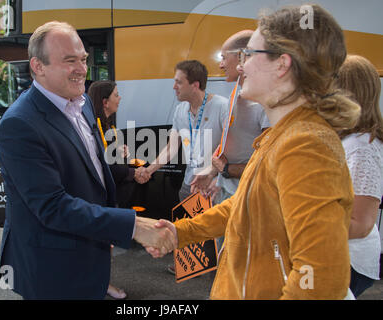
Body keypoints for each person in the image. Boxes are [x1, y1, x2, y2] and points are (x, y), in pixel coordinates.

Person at [150, 4, 361, 299]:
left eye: (249, 55)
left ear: (282, 64)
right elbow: (245, 205)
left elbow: (321, 278)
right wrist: (181, 232)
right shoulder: (282, 136)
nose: (241, 66)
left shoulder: (305, 146)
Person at [0, 21, 175, 299]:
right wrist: (132, 226)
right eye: (70, 61)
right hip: (52, 268)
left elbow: (94, 171)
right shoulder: (20, 124)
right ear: (38, 66)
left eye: (83, 59)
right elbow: (52, 206)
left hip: (91, 249)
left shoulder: (81, 104)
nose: (82, 69)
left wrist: (107, 227)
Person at [191, 30, 270, 205]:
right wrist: (213, 172)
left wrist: (226, 169)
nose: (220, 65)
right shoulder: (236, 95)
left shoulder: (265, 102)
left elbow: (269, 166)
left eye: (224, 58)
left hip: (250, 197)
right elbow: (231, 143)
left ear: (243, 57)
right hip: (228, 192)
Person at [87, 80, 146, 299]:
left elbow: (109, 159)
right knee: (101, 243)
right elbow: (106, 168)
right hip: (99, 197)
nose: (119, 98)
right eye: (116, 95)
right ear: (105, 101)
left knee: (104, 243)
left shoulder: (107, 125)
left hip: (107, 197)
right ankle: (102, 284)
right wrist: (133, 173)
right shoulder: (94, 127)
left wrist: (120, 151)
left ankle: (101, 282)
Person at [141, 60, 228, 202]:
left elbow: (230, 149)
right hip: (189, 184)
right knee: (187, 222)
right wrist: (148, 170)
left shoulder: (222, 107)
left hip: (214, 185)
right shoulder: (180, 110)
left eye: (179, 82)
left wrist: (217, 179)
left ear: (195, 85)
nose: (174, 87)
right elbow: (172, 148)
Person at [337, 55, 383, 297]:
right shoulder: (349, 139)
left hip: (351, 260)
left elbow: (361, 223)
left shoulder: (362, 147)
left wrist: (304, 229)